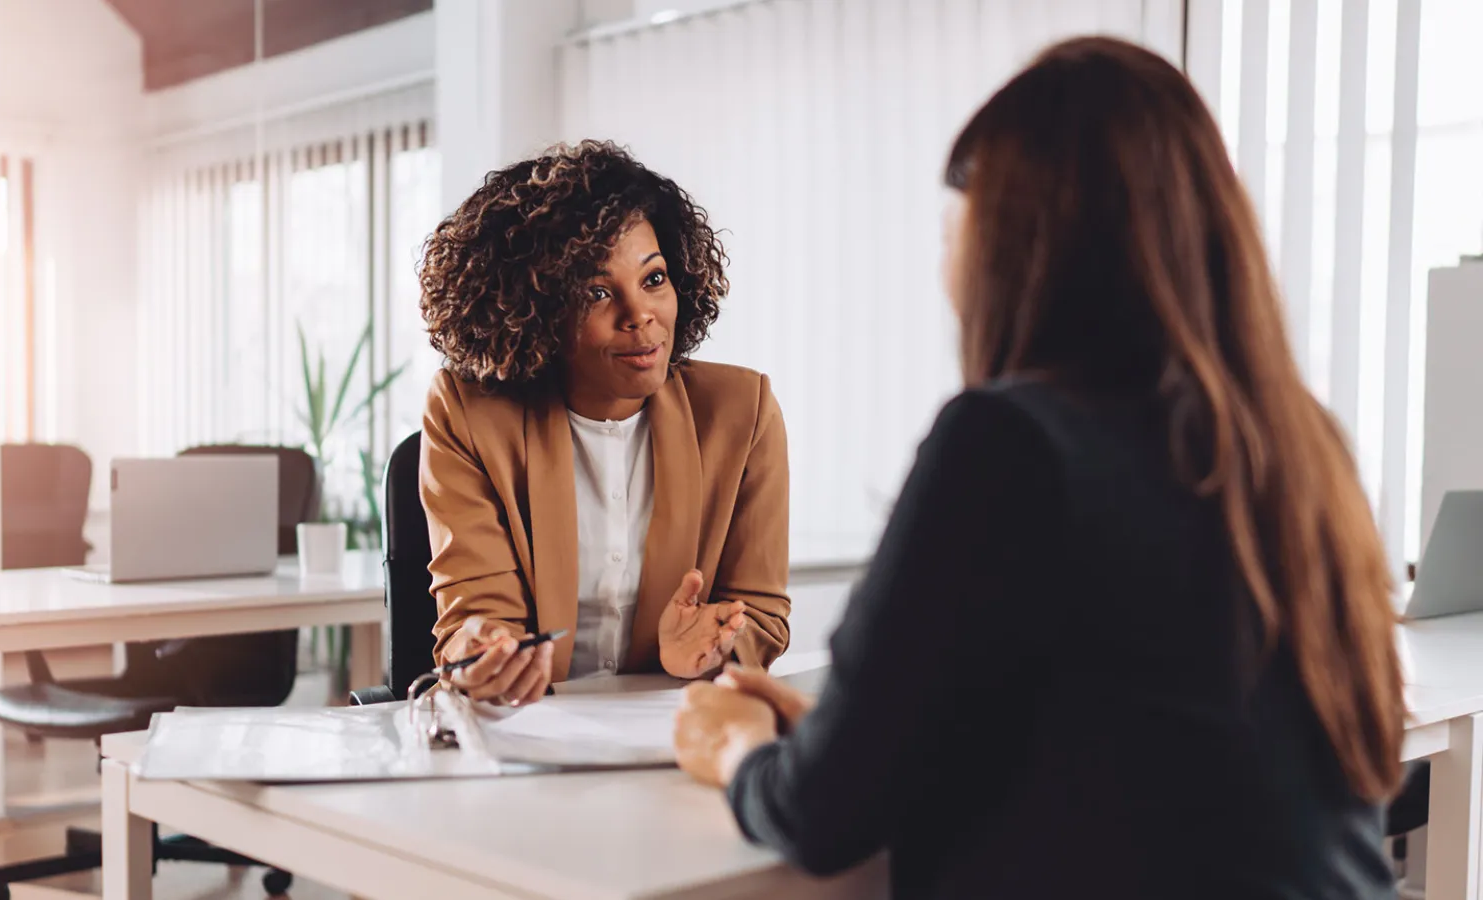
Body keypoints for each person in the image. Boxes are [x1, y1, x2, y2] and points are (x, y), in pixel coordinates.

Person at [674, 36, 1405, 899]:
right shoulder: (1296, 442)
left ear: (1012, 238)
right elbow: (1124, 744)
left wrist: (738, 750)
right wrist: (843, 736)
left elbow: (824, 815)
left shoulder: (1008, 444)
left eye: (957, 215)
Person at [416, 140, 791, 707]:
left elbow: (760, 613)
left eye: (654, 279)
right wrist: (484, 651)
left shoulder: (742, 412)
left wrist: (716, 646)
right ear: (535, 310)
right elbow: (473, 613)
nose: (638, 313)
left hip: (670, 737)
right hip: (529, 734)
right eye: (596, 292)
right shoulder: (468, 414)